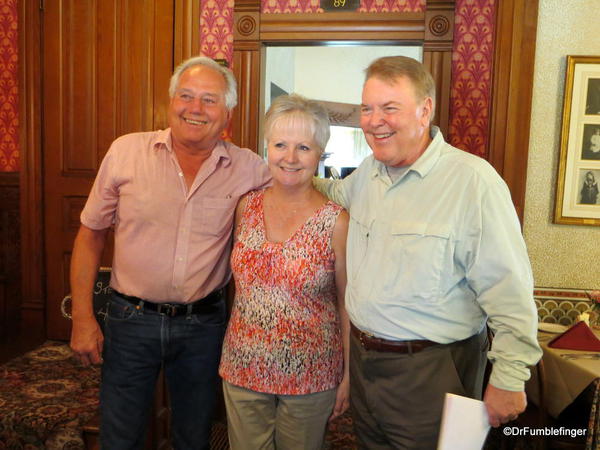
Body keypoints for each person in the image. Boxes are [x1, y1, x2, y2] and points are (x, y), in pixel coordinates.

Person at [315, 56, 542, 449]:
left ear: (425, 110)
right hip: (365, 364)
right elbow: (332, 192)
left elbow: (511, 290)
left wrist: (509, 378)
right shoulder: (369, 173)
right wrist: (285, 169)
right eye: (367, 108)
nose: (373, 120)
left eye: (389, 107)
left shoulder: (473, 182)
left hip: (432, 371)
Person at [69, 56, 271, 450]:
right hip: (129, 321)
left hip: (204, 326)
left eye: (209, 100)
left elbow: (297, 189)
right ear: (170, 101)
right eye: (186, 96)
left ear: (227, 112)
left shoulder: (250, 168)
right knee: (120, 436)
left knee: (193, 437)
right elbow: (90, 235)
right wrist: (81, 318)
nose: (195, 109)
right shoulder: (126, 152)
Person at [219, 94, 350, 450]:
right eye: (280, 145)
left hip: (311, 374)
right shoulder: (246, 206)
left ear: (320, 153)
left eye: (303, 147)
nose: (290, 158)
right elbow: (237, 288)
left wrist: (348, 375)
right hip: (243, 366)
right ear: (267, 147)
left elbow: (346, 304)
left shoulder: (336, 221)